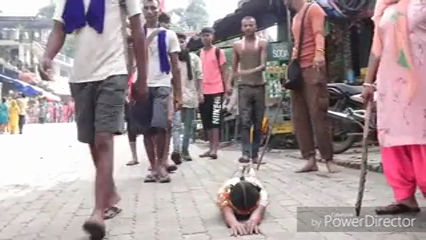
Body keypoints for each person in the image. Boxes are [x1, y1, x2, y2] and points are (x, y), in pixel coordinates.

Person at [39, 0, 148, 238]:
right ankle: (110, 194)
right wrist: (47, 56)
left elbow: (138, 29)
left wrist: (142, 77)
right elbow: (59, 28)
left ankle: (98, 212)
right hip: (81, 76)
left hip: (113, 71)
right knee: (91, 142)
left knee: (103, 139)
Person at [361, 0, 426, 215]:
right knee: (393, 138)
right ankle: (405, 198)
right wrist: (368, 82)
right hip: (391, 84)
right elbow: (376, 48)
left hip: (421, 81)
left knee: (421, 135)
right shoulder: (383, 6)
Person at [129, 0, 182, 183]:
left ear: (159, 11)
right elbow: (129, 61)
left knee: (161, 125)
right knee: (145, 129)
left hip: (162, 83)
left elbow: (175, 66)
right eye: (146, 8)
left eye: (153, 8)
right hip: (141, 85)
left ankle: (160, 164)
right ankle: (152, 166)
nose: (150, 11)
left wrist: (179, 94)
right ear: (141, 11)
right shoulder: (135, 35)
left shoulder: (169, 35)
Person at [285, 0, 337, 173]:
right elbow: (297, 44)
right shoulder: (295, 17)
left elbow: (318, 33)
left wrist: (320, 54)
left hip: (313, 68)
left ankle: (328, 159)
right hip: (299, 70)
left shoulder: (313, 8)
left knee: (318, 114)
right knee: (300, 116)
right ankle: (309, 158)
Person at [231, 16, 268, 164]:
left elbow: (263, 65)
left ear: (255, 26)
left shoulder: (263, 43)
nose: (248, 28)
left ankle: (255, 154)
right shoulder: (237, 45)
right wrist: (230, 83)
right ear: (242, 28)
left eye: (250, 25)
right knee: (245, 121)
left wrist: (243, 73)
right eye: (245, 25)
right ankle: (246, 153)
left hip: (259, 86)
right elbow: (234, 68)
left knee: (258, 122)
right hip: (244, 88)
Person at [199, 27, 228, 159]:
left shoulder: (218, 51)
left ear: (213, 37)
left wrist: (227, 88)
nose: (206, 38)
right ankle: (210, 147)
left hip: (217, 90)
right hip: (203, 91)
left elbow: (224, 71)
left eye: (208, 35)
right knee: (206, 121)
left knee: (215, 120)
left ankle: (215, 149)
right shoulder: (200, 53)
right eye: (203, 35)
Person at [217, 166, 268, 236]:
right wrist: (233, 223)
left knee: (251, 174)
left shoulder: (262, 193)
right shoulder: (224, 192)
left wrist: (253, 221)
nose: (245, 213)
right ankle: (241, 168)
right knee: (236, 174)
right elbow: (226, 212)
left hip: (251, 180)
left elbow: (260, 210)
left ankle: (248, 168)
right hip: (233, 180)